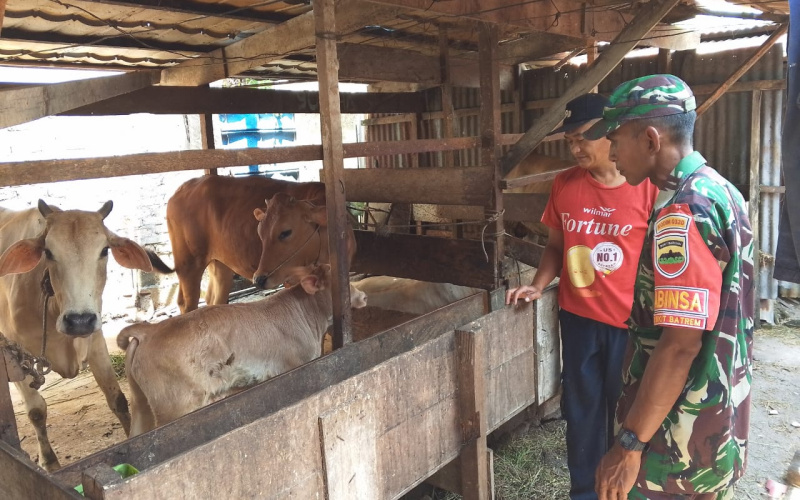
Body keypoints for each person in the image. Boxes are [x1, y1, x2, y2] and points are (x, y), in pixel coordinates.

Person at [585, 75, 754, 500]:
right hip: (716, 426)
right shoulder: (722, 191)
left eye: (616, 139)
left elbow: (680, 344)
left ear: (650, 139)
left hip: (675, 446)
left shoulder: (684, 212)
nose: (612, 153)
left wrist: (629, 445)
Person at [506, 93, 658, 500]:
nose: (574, 149)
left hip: (630, 324)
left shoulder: (647, 190)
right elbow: (556, 246)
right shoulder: (565, 185)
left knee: (629, 414)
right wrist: (538, 285)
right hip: (578, 319)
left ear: (611, 135)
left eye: (581, 139)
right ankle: (584, 492)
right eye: (569, 141)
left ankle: (628, 490)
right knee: (582, 411)